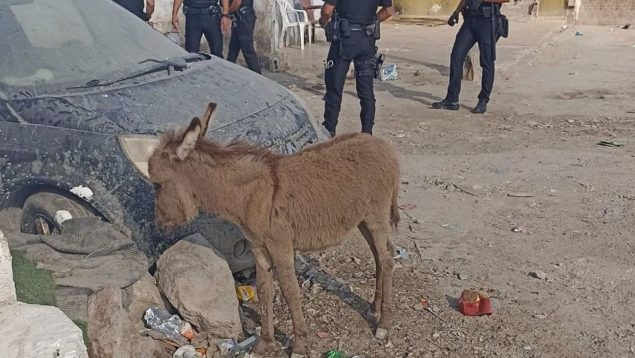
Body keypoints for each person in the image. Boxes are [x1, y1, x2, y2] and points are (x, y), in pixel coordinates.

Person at [319, 0, 394, 137]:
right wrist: (370, 21)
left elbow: (327, 10)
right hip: (366, 41)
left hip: (344, 41)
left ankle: (329, 128)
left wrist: (324, 22)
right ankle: (367, 132)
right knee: (366, 90)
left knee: (334, 87)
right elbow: (389, 11)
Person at [433, 0, 509, 114]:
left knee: (487, 62)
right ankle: (452, 99)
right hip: (470, 21)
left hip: (487, 21)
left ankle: (483, 100)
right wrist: (457, 11)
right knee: (456, 56)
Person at [220, 0, 261, 74]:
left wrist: (227, 13)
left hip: (243, 18)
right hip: (240, 18)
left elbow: (237, 2)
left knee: (247, 51)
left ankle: (259, 78)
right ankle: (227, 74)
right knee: (233, 49)